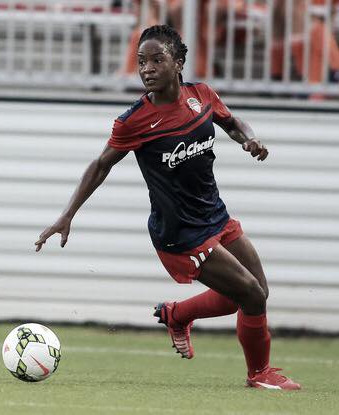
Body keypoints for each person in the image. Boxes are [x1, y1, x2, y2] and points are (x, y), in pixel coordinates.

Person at [36, 24, 301, 390]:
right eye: (141, 62)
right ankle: (259, 374)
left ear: (178, 62)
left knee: (256, 292)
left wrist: (249, 139)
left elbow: (231, 122)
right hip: (181, 234)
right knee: (251, 295)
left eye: (156, 60)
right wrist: (66, 216)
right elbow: (100, 165)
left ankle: (177, 314)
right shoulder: (134, 121)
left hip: (215, 217)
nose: (146, 69)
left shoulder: (202, 95)